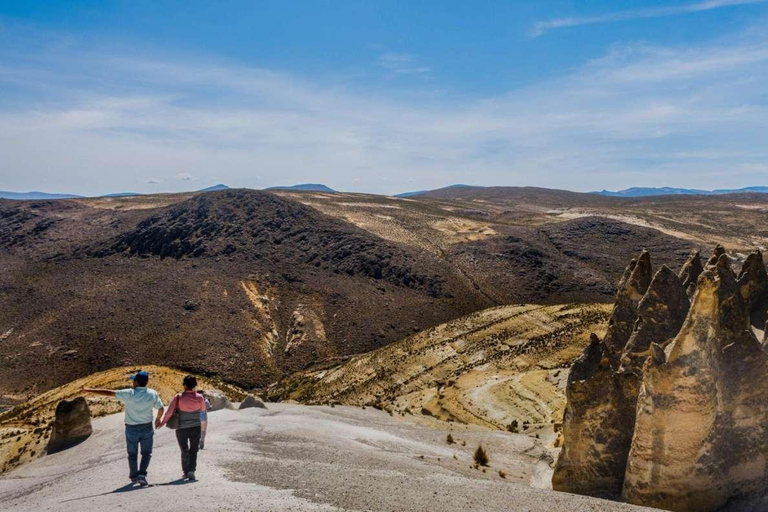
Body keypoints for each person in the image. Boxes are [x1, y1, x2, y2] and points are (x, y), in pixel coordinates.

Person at [81, 369, 164, 486]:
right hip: (147, 427)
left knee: (132, 454)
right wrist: (158, 419)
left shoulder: (129, 394)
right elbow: (160, 408)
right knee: (146, 453)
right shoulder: (152, 393)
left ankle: (134, 476)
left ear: (136, 382)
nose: (132, 383)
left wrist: (89, 390)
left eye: (133, 380)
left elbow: (108, 392)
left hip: (131, 428)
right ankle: (142, 475)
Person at [158, 375, 206, 480]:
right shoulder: (200, 397)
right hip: (195, 427)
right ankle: (191, 470)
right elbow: (203, 410)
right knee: (194, 450)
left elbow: (169, 412)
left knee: (184, 450)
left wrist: (162, 423)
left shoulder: (178, 397)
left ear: (184, 385)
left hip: (181, 428)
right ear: (194, 385)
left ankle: (185, 471)